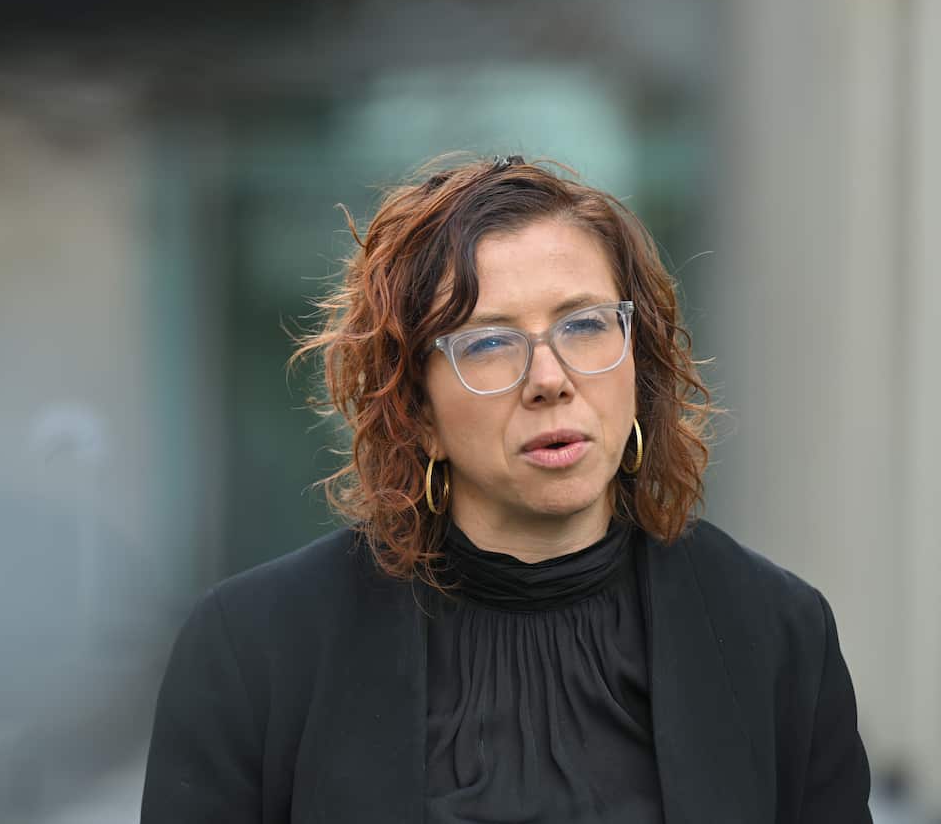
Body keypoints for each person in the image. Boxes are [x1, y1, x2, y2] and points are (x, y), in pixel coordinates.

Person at [139, 155, 872, 823]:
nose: (549, 380)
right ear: (416, 410)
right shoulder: (252, 651)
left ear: (637, 364)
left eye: (585, 325)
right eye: (488, 342)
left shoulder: (778, 634)